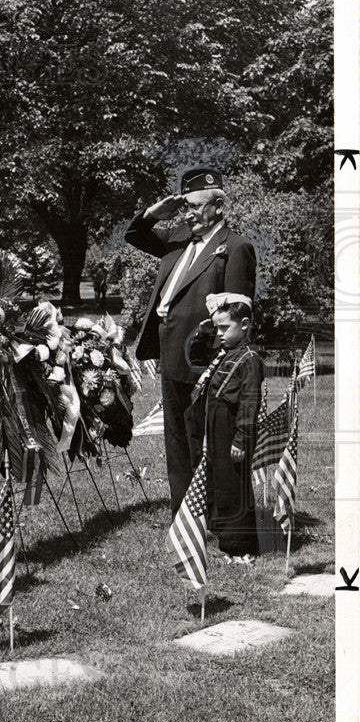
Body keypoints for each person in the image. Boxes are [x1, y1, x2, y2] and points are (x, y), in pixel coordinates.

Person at [125, 167, 255, 515]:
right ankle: (184, 514)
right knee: (176, 439)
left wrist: (216, 360)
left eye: (196, 206)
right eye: (185, 206)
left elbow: (236, 314)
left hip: (202, 358)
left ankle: (212, 513)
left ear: (218, 207)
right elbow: (134, 234)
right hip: (168, 353)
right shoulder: (177, 238)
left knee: (203, 437)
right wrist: (154, 213)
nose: (188, 213)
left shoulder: (235, 248)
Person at [186, 294, 274, 560]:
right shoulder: (225, 352)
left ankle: (239, 546)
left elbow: (249, 402)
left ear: (245, 324)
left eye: (225, 327)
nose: (220, 333)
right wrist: (202, 334)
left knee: (232, 484)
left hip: (232, 425)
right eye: (217, 328)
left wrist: (242, 437)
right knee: (218, 478)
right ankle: (222, 532)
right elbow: (195, 359)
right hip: (215, 422)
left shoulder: (249, 359)